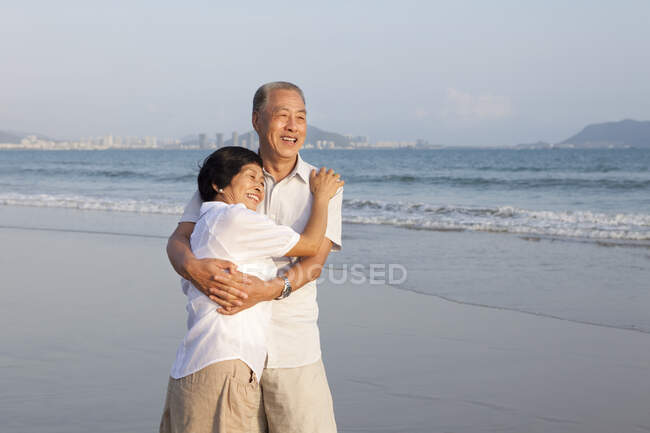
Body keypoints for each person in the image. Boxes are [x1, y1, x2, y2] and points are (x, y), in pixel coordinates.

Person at [166, 81, 343, 433]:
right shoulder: (230, 174)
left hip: (292, 348)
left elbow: (314, 262)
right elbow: (179, 238)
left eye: (301, 117)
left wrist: (269, 290)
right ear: (257, 120)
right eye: (282, 116)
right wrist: (192, 267)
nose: (293, 126)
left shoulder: (322, 185)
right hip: (229, 348)